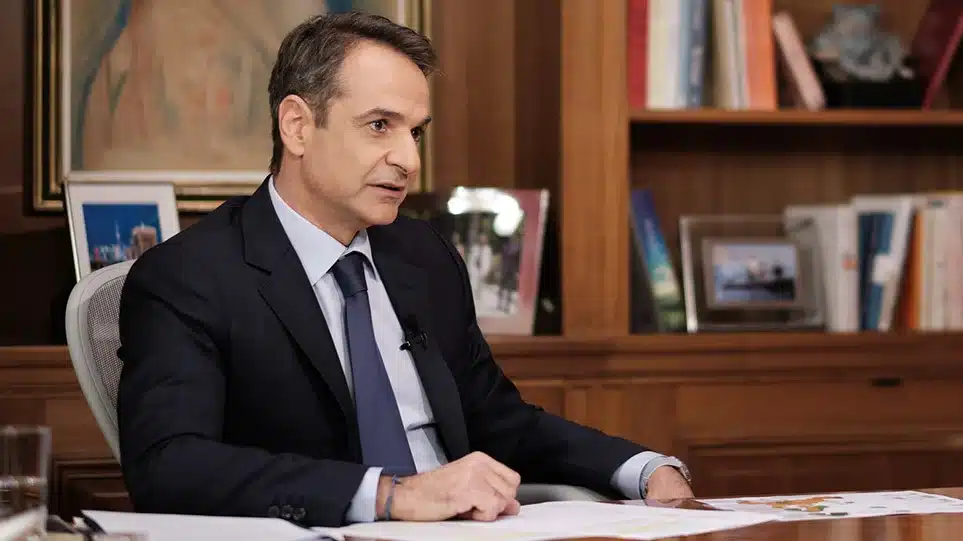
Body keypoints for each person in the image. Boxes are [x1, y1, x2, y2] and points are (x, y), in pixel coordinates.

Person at [116, 11, 694, 529]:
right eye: (379, 126)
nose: (409, 160)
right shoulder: (190, 275)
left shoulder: (423, 255)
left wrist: (642, 468)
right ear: (297, 126)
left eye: (415, 131)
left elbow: (499, 421)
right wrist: (391, 496)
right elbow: (169, 465)